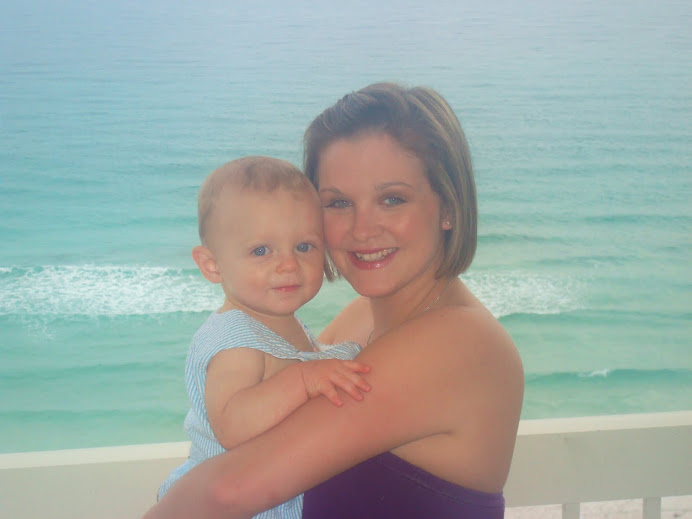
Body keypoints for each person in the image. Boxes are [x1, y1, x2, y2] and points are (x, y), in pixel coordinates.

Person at [144, 83, 524, 519]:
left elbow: (228, 490)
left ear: (448, 207)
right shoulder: (361, 321)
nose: (362, 229)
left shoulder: (457, 341)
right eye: (339, 202)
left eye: (392, 199)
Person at [156, 156, 371, 518]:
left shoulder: (278, 322)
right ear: (212, 265)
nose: (288, 264)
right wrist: (305, 380)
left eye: (304, 247)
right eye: (261, 251)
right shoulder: (236, 340)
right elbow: (232, 424)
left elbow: (298, 361)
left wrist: (333, 360)